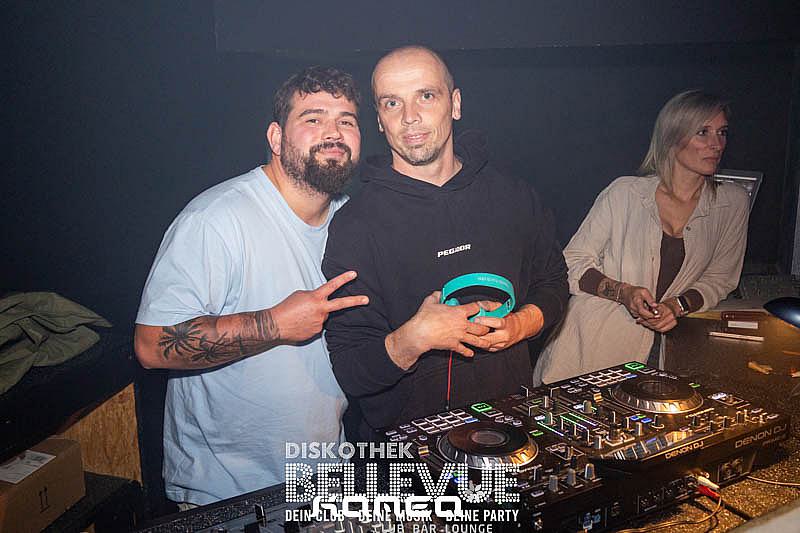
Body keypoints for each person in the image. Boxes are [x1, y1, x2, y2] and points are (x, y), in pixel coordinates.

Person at [134, 66, 368, 506]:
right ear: (276, 138)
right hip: (226, 493)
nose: (333, 132)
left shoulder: (354, 220)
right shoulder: (216, 219)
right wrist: (275, 324)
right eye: (313, 118)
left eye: (346, 121)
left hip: (325, 481)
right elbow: (150, 345)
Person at [322, 46, 568, 442]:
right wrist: (412, 340)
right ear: (380, 121)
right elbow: (351, 368)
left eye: (426, 95)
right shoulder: (355, 226)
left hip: (509, 431)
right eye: (392, 103)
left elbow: (554, 282)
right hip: (406, 451)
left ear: (455, 104)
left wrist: (520, 325)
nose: (409, 116)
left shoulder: (513, 195)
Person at [534, 89, 750, 384]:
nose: (717, 144)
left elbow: (721, 277)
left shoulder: (732, 202)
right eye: (703, 132)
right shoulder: (625, 193)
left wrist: (677, 306)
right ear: (672, 137)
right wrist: (624, 293)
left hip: (668, 354)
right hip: (590, 348)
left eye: (722, 132)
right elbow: (571, 262)